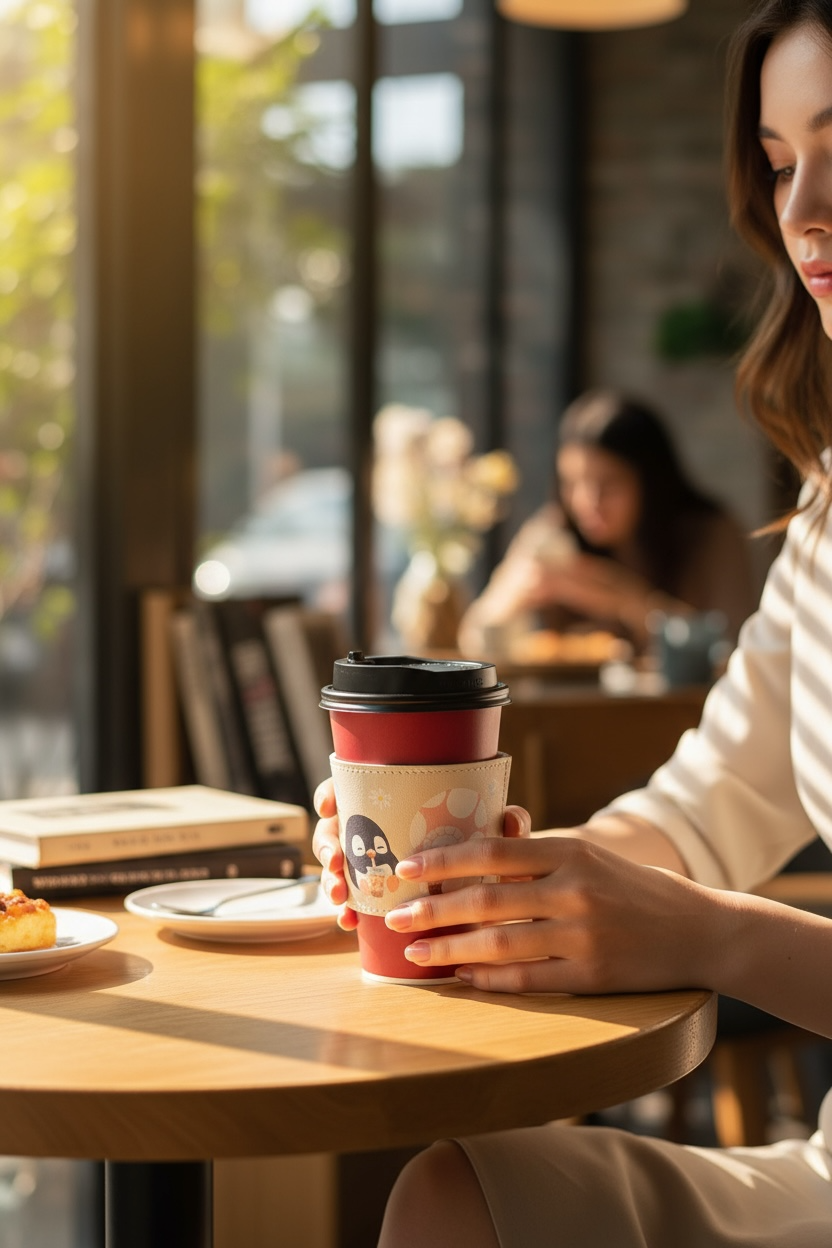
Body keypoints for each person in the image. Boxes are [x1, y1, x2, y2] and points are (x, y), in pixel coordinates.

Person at [313, 2, 832, 1244]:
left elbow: (701, 893)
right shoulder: (823, 515)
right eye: (775, 165)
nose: (800, 209)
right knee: (459, 1195)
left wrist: (713, 936)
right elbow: (704, 809)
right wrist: (481, 882)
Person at [457, 389, 758, 658]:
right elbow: (472, 636)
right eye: (571, 483)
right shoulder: (553, 531)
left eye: (609, 484)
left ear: (652, 481)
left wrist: (628, 602)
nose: (587, 502)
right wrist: (513, 595)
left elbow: (734, 648)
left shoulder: (710, 533)